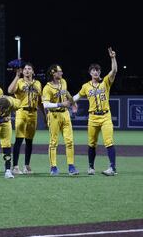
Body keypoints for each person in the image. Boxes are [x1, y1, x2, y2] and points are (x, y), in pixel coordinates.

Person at [72, 47, 119, 176]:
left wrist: (113, 58)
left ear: (100, 72)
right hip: (92, 117)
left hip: (105, 116)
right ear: (90, 73)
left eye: (97, 70)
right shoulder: (86, 86)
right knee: (91, 143)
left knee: (109, 141)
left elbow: (114, 70)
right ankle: (91, 167)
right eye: (93, 70)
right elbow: (76, 97)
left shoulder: (105, 82)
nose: (96, 72)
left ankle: (112, 168)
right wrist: (70, 102)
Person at [7, 61, 44, 175]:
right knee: (19, 140)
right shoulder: (19, 81)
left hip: (33, 113)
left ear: (33, 71)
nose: (27, 70)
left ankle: (26, 166)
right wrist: (17, 76)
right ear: (22, 71)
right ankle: (15, 166)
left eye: (29, 68)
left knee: (29, 141)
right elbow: (10, 91)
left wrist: (45, 114)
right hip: (21, 112)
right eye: (25, 69)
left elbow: (39, 101)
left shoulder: (38, 83)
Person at [41, 64, 77, 176]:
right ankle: (53, 167)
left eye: (61, 71)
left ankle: (71, 166)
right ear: (53, 73)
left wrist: (73, 103)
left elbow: (66, 93)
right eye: (59, 71)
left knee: (69, 141)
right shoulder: (47, 88)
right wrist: (61, 103)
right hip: (54, 116)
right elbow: (45, 105)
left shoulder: (63, 82)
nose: (61, 73)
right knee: (53, 142)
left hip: (65, 114)